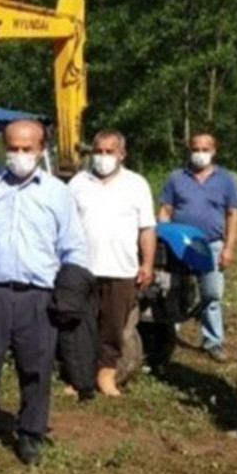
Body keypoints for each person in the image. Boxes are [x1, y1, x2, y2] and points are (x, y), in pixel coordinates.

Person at [0, 119, 88, 466]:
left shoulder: (57, 192)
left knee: (37, 368)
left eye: (27, 149)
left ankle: (30, 434)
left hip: (38, 297)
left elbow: (74, 246)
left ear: (41, 150)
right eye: (12, 147)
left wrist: (70, 292)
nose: (19, 155)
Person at [68, 129, 156, 397]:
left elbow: (147, 229)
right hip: (82, 267)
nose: (102, 157)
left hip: (121, 268)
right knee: (81, 325)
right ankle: (78, 378)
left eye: (109, 152)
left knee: (113, 326)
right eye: (98, 151)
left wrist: (147, 264)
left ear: (122, 154)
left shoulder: (137, 184)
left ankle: (105, 374)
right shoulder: (77, 182)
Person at [158, 131, 237, 362]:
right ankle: (168, 335)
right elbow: (165, 210)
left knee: (212, 294)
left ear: (214, 151)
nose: (200, 154)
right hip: (179, 244)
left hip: (211, 245)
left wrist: (229, 248)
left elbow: (232, 214)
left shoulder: (226, 180)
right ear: (189, 150)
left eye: (205, 149)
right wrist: (162, 238)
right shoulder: (176, 178)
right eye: (196, 149)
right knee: (172, 290)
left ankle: (212, 340)